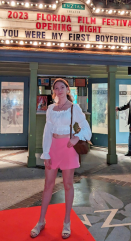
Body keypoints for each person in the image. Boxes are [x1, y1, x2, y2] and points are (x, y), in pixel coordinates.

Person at [30, 78, 91, 239]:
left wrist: (76, 138)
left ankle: (67, 222)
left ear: (67, 89)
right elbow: (47, 132)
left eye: (62, 87)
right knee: (48, 184)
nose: (59, 90)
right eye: (56, 88)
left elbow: (87, 129)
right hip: (53, 148)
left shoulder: (74, 108)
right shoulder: (50, 108)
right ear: (54, 91)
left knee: (68, 184)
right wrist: (46, 153)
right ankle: (41, 221)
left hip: (69, 149)